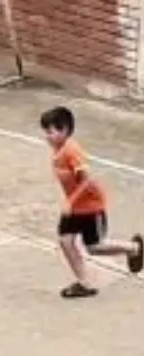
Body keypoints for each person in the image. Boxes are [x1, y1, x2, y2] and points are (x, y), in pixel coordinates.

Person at [40, 106, 144, 298]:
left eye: (50, 131)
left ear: (63, 130)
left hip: (90, 207)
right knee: (65, 240)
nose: (46, 136)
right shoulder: (58, 151)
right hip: (74, 208)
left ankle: (134, 248)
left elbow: (87, 180)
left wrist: (70, 201)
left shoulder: (72, 151)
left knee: (94, 247)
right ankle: (84, 283)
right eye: (45, 132)